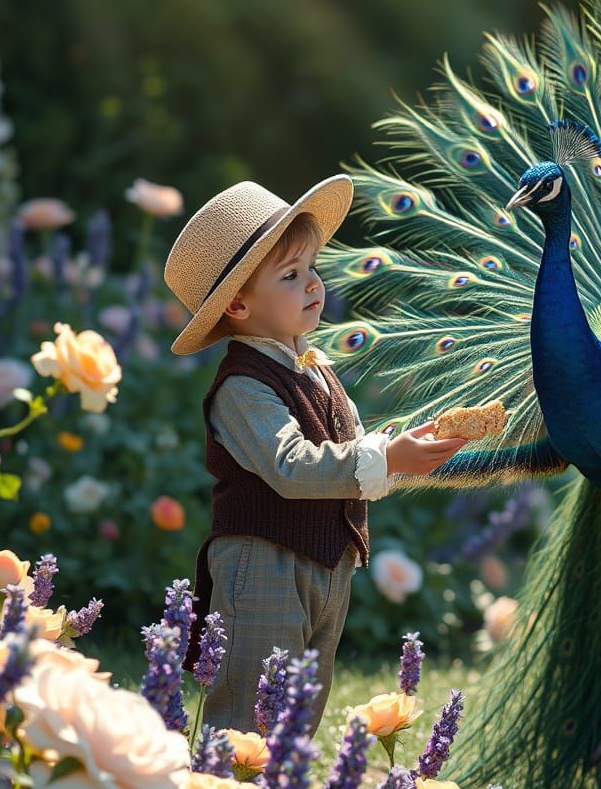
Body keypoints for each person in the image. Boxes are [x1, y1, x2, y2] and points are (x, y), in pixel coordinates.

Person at [163, 176, 466, 734]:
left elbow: (348, 451)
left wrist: (402, 450)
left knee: (299, 709)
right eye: (290, 275)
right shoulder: (243, 385)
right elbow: (292, 466)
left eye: (312, 269)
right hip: (264, 563)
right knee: (252, 710)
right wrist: (385, 458)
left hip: (327, 564)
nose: (313, 284)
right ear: (237, 302)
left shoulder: (315, 369)